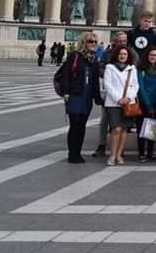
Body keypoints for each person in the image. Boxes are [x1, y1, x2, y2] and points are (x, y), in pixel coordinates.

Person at [57, 32, 99, 163]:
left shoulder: (94, 58)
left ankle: (78, 152)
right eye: (90, 41)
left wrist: (98, 97)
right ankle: (72, 153)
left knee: (82, 125)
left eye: (94, 42)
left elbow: (95, 80)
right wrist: (65, 92)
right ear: (83, 43)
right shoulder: (75, 56)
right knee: (74, 125)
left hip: (87, 97)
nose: (93, 44)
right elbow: (65, 75)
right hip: (75, 94)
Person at [102, 45, 139, 166]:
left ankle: (119, 154)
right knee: (116, 128)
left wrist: (128, 98)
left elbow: (135, 85)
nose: (122, 56)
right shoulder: (110, 67)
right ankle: (112, 155)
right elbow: (108, 85)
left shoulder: (132, 69)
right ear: (117, 55)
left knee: (124, 129)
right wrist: (118, 99)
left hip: (128, 103)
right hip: (113, 103)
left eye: (125, 54)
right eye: (120, 54)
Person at [136, 47, 156, 163]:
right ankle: (141, 153)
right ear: (147, 56)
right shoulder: (141, 70)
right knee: (142, 129)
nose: (153, 57)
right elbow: (141, 88)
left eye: (155, 55)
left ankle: (150, 153)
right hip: (144, 104)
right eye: (151, 55)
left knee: (153, 129)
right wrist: (148, 105)